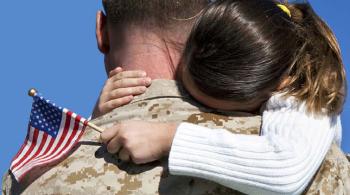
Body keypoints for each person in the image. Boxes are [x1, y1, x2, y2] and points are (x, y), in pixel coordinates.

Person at [2, 0, 349, 194]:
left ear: (101, 32)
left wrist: (168, 136)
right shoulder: (332, 168)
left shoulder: (36, 180)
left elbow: (284, 168)